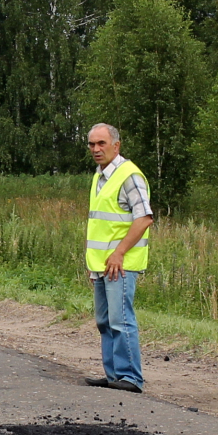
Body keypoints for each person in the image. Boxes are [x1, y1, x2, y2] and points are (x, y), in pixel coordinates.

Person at [83, 123, 153, 393]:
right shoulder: (100, 176)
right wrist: (93, 265)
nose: (96, 149)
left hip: (120, 264)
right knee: (104, 321)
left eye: (101, 143)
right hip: (101, 265)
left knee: (120, 320)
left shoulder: (129, 176)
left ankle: (130, 377)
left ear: (116, 145)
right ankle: (113, 375)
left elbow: (145, 218)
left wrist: (120, 252)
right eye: (92, 144)